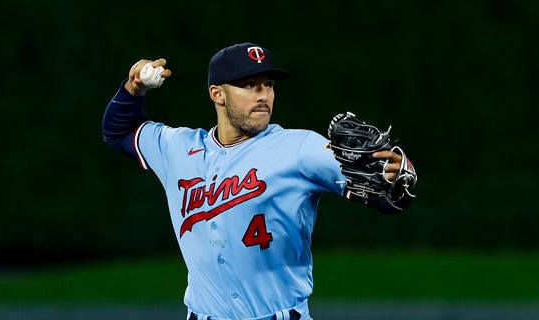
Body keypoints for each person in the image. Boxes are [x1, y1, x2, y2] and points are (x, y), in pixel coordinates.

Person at [102, 42, 417, 320]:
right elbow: (117, 132)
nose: (263, 95)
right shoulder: (178, 148)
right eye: (249, 85)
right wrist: (133, 88)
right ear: (217, 94)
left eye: (268, 84)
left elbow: (383, 194)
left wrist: (393, 175)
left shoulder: (300, 148)